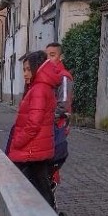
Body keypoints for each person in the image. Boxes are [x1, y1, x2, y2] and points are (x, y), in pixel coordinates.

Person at [6, 51, 64, 211]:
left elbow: (34, 123)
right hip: (39, 147)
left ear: (37, 68)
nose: (25, 74)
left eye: (28, 69)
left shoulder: (38, 89)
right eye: (24, 70)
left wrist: (17, 142)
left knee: (7, 182)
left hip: (30, 148)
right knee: (43, 186)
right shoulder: (43, 87)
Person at [45, 40, 74, 193]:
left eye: (53, 55)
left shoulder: (63, 76)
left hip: (57, 124)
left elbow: (63, 104)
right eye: (47, 55)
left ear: (60, 57)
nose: (49, 59)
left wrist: (47, 117)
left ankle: (50, 194)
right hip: (50, 124)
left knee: (53, 159)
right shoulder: (49, 76)